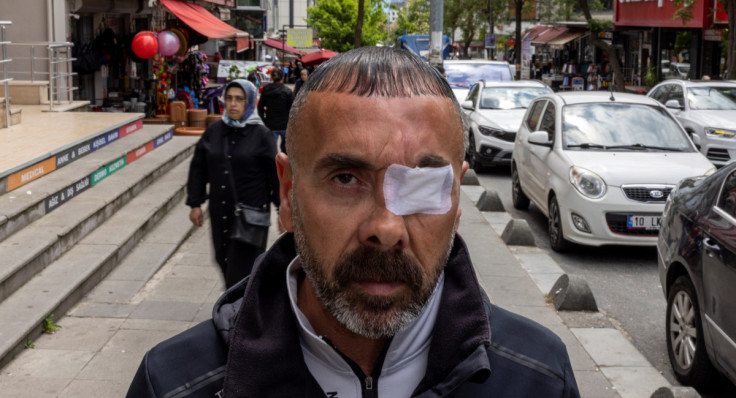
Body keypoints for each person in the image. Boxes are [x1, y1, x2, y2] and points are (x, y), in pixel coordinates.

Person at [127, 47, 580, 398]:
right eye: (345, 179)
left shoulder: (539, 378)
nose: (386, 228)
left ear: (456, 198)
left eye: (422, 185)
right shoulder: (174, 383)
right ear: (287, 193)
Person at [185, 79, 280, 289]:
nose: (233, 104)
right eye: (229, 98)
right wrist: (195, 203)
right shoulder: (214, 131)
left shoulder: (261, 135)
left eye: (239, 99)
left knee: (241, 272)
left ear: (250, 102)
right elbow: (198, 168)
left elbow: (274, 175)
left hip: (251, 216)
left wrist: (283, 208)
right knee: (223, 260)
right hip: (221, 213)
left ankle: (235, 315)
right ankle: (237, 310)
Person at [257, 68, 293, 153]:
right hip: (285, 124)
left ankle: (273, 165)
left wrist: (264, 120)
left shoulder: (266, 89)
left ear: (271, 77)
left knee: (271, 151)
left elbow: (260, 107)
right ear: (282, 78)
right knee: (286, 153)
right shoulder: (287, 91)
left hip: (271, 124)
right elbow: (293, 109)